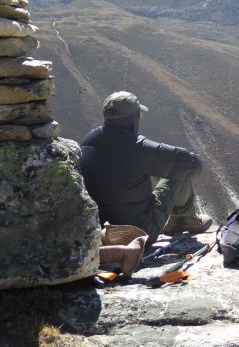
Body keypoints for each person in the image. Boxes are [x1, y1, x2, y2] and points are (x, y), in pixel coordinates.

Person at [81, 91, 212, 247]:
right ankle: (183, 220)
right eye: (139, 115)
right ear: (134, 117)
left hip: (102, 232)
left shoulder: (88, 140)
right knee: (179, 174)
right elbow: (194, 164)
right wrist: (158, 168)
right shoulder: (139, 147)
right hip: (140, 233)